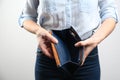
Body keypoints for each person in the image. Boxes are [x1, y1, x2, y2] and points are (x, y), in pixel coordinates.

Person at [18, 0, 118, 80]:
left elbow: (110, 14)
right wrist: (38, 31)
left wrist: (96, 39)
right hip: (49, 53)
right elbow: (27, 16)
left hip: (86, 54)